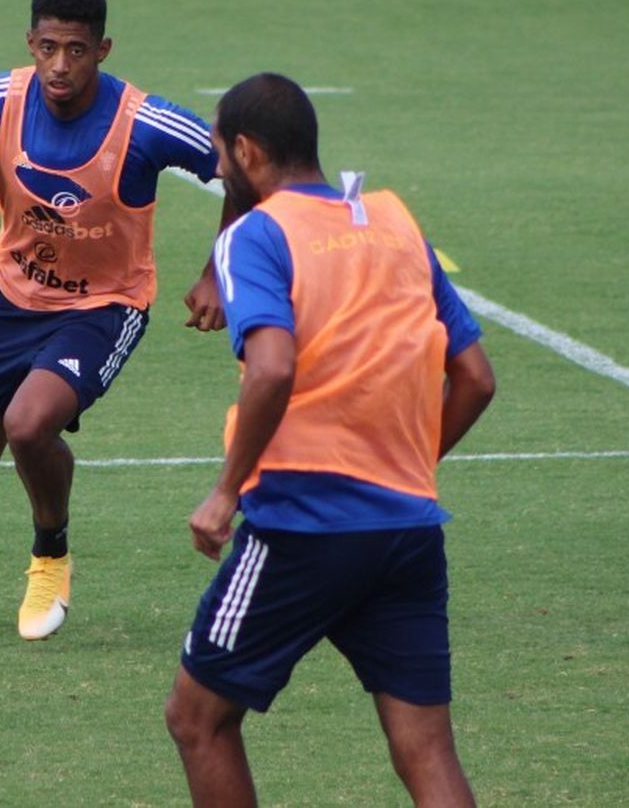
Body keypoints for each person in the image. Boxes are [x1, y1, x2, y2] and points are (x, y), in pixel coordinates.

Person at [165, 73, 496, 806]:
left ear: (248, 152)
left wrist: (225, 493)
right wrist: (404, 466)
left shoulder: (256, 234)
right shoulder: (395, 222)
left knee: (197, 719)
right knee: (426, 751)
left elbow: (273, 368)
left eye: (221, 156)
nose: (220, 171)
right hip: (407, 527)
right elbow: (475, 377)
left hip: (301, 526)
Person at [0, 0, 231, 641]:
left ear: (102, 49)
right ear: (30, 42)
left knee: (27, 425)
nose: (59, 66)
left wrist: (218, 272)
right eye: (47, 47)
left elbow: (242, 169)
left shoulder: (144, 122)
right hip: (11, 297)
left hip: (104, 307)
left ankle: (49, 556)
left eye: (76, 50)